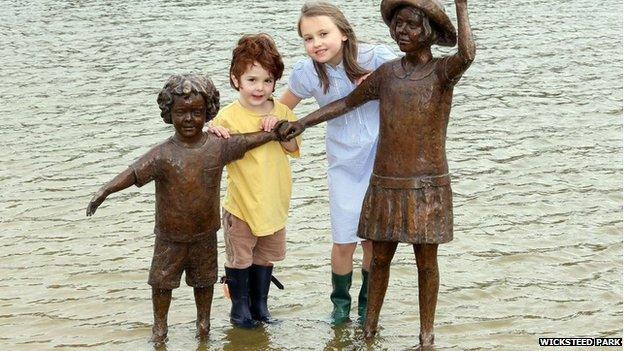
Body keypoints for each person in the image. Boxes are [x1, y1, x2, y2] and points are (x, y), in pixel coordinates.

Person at [277, 0, 476, 347]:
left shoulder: (442, 72)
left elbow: (468, 54)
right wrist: (301, 124)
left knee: (425, 262)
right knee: (377, 255)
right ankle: (366, 327)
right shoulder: (388, 72)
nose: (403, 32)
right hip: (383, 181)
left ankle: (426, 335)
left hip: (426, 183)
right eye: (398, 25)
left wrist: (461, 6)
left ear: (428, 32)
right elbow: (345, 104)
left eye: (412, 25)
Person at [86, 74, 283, 344]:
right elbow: (132, 173)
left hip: (205, 235)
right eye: (181, 113)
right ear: (169, 114)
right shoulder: (162, 154)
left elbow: (247, 141)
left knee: (204, 284)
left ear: (207, 113)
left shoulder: (217, 146)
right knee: (162, 284)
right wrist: (104, 191)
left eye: (197, 113)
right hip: (169, 237)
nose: (189, 119)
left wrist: (275, 133)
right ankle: (160, 328)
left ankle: (204, 327)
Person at [278, 1, 396, 325]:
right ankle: (340, 307)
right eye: (308, 38)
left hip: (379, 159)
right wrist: (266, 123)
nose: (316, 43)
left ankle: (367, 304)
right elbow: (282, 108)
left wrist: (378, 78)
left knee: (372, 238)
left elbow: (410, 78)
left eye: (323, 33)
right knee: (344, 238)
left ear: (343, 33)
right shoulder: (308, 73)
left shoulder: (375, 57)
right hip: (343, 164)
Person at [207, 34, 300, 329]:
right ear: (236, 80)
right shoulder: (228, 117)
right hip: (242, 205)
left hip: (274, 203)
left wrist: (280, 126)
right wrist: (213, 131)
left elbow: (292, 148)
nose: (260, 88)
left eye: (268, 81)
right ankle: (240, 308)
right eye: (252, 79)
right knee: (240, 258)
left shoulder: (282, 111)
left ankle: (261, 305)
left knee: (266, 256)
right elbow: (211, 153)